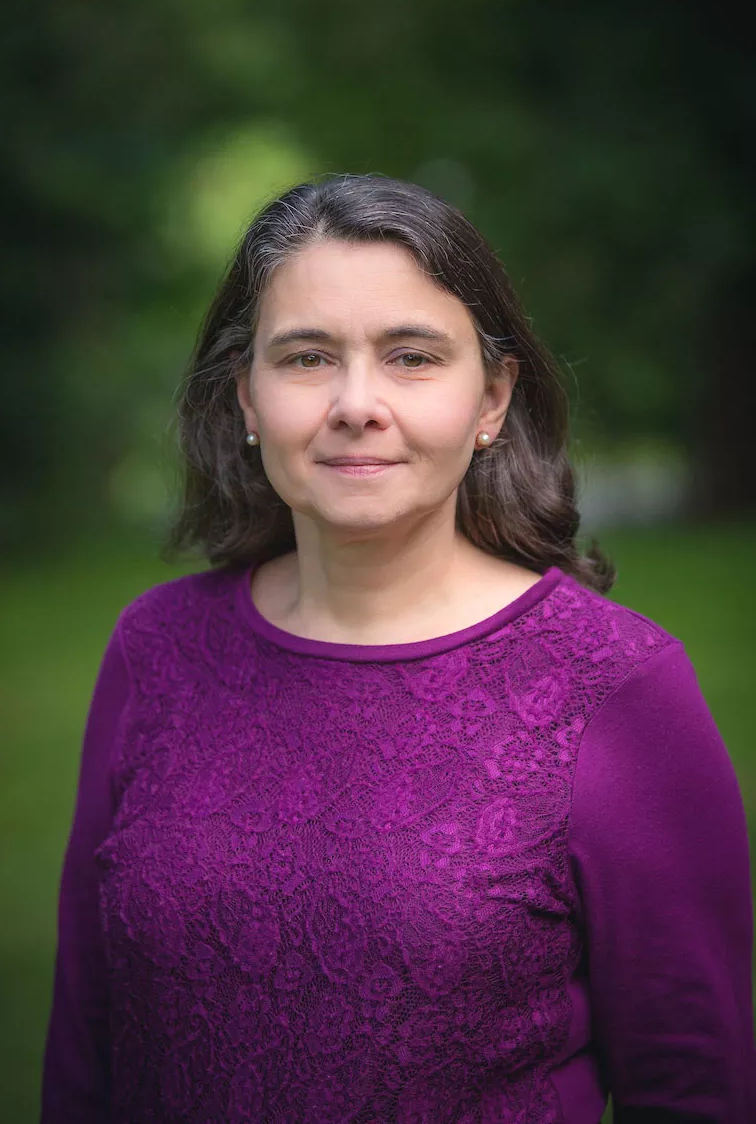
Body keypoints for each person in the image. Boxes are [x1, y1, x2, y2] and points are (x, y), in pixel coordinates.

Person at [40, 174, 756, 1123]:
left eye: (412, 356)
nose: (356, 403)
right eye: (305, 358)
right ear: (246, 397)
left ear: (492, 397)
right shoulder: (158, 647)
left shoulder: (614, 686)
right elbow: (86, 1044)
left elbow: (695, 1083)